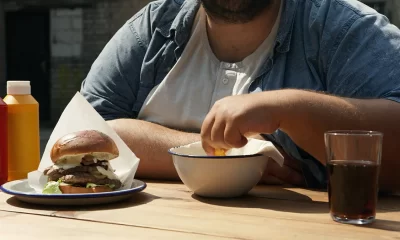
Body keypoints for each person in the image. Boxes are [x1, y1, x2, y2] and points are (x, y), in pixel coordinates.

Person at [80, 0, 400, 191]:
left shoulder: (341, 27)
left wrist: (290, 109)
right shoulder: (152, 28)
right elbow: (80, 138)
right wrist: (236, 160)